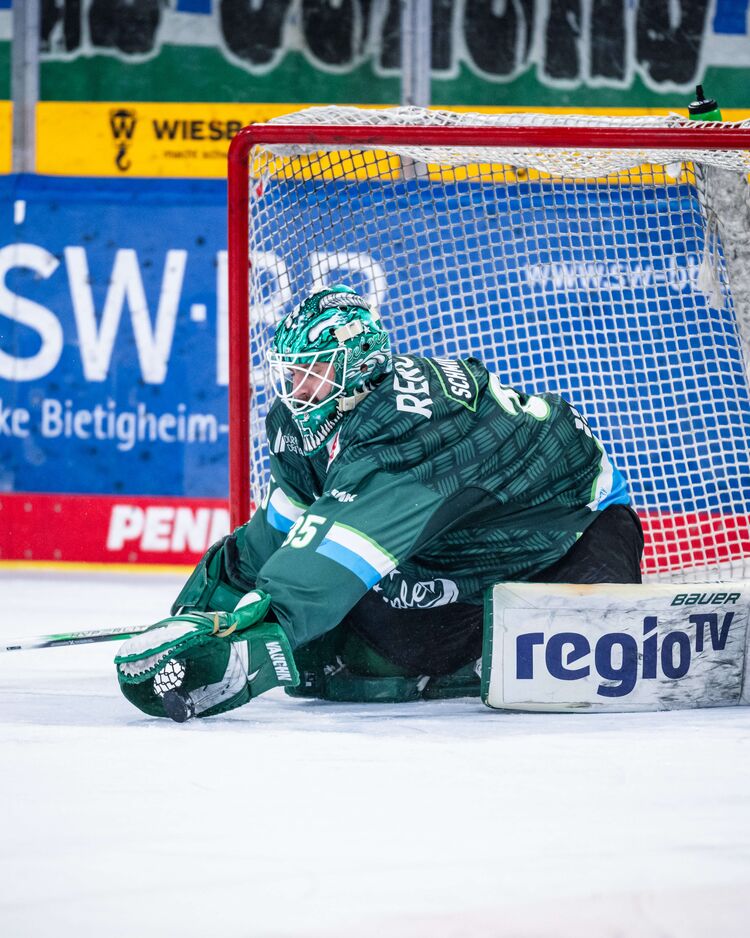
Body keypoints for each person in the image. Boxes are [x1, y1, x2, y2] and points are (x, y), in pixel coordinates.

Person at [116, 285, 644, 721]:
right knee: (364, 652)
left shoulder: (408, 425)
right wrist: (202, 612)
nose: (296, 388)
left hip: (573, 532)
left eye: (311, 371)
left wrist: (247, 642)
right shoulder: (305, 420)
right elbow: (284, 529)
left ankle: (483, 644)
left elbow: (334, 554)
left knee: (392, 646)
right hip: (464, 547)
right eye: (291, 372)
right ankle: (469, 638)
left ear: (358, 368)